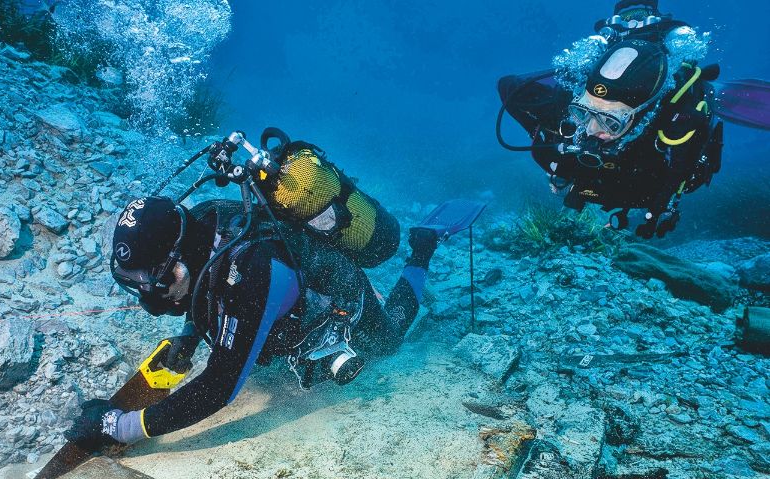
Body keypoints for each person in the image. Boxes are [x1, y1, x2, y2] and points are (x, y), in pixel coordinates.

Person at [65, 137, 460, 449]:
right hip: (289, 286)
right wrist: (189, 335)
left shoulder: (250, 272)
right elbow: (203, 284)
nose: (152, 300)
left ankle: (423, 247)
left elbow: (219, 388)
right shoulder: (203, 223)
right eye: (137, 288)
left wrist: (119, 426)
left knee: (389, 341)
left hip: (339, 291)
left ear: (178, 258)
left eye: (156, 285)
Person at [496, 0, 723, 238]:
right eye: (583, 113)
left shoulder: (666, 128)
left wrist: (658, 208)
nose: (592, 130)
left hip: (639, 188)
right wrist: (547, 130)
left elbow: (682, 175)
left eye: (610, 122)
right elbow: (509, 87)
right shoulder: (572, 114)